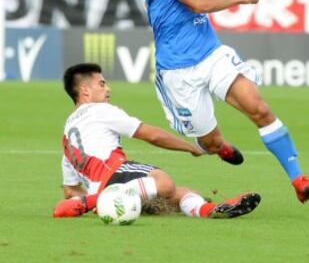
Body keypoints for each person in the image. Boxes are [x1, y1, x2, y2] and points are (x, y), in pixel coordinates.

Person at [144, 0, 309, 204]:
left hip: (211, 53)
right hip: (178, 71)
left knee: (259, 108)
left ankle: (298, 179)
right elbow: (198, 2)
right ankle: (220, 146)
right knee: (209, 141)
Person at [53, 63, 261, 219]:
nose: (108, 89)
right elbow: (151, 135)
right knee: (164, 182)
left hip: (108, 189)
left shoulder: (67, 136)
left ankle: (211, 210)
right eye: (102, 84)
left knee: (182, 194)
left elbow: (70, 190)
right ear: (85, 91)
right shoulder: (99, 110)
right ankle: (95, 201)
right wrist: (190, 147)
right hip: (113, 176)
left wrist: (83, 198)